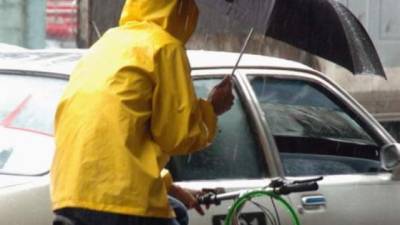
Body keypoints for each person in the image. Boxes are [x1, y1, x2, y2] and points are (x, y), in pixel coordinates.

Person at [50, 0, 234, 225]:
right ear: (180, 8)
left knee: (177, 210)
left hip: (71, 191)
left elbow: (119, 136)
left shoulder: (107, 43)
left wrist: (169, 187)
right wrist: (212, 109)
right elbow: (177, 136)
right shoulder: (165, 47)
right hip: (121, 199)